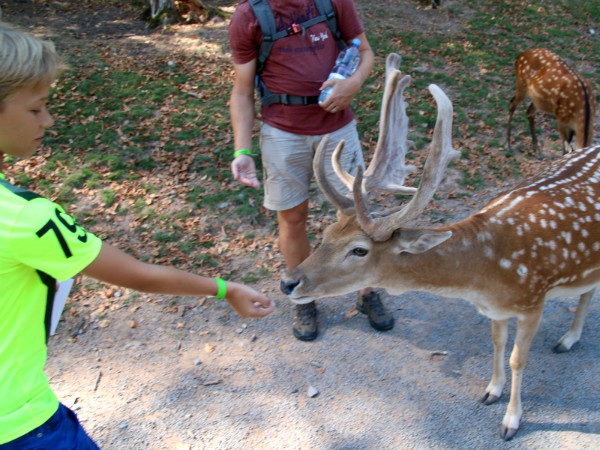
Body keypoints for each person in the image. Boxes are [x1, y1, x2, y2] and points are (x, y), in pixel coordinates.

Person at [0, 22, 274, 449]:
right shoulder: (23, 218)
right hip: (22, 426)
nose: (48, 120)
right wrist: (225, 288)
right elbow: (138, 275)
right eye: (36, 109)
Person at [229, 0, 394, 341]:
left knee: (358, 216)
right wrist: (242, 149)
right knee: (292, 218)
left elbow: (365, 52)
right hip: (282, 133)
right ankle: (302, 292)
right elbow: (242, 91)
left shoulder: (333, 2)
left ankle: (367, 291)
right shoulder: (249, 17)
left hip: (337, 131)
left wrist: (354, 84)